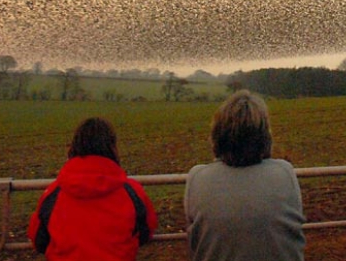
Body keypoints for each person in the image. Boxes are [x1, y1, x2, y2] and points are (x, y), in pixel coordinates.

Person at [184, 89, 306, 261]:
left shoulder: (197, 178)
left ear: (218, 135)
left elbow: (195, 242)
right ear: (264, 136)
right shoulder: (284, 172)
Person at [27, 117, 158, 261]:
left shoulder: (54, 194)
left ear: (75, 147)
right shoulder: (132, 193)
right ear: (112, 148)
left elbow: (39, 241)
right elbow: (146, 232)